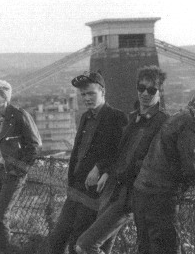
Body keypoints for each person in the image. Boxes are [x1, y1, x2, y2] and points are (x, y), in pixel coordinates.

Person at [75, 66, 170, 254]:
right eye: (141, 88)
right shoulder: (133, 118)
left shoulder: (163, 122)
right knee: (103, 246)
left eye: (151, 90)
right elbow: (121, 153)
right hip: (113, 190)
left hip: (130, 195)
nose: (145, 93)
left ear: (160, 92)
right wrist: (108, 171)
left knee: (85, 245)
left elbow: (159, 161)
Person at [132, 75, 195, 254]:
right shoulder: (191, 123)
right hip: (160, 199)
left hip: (142, 193)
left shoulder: (181, 115)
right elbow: (192, 168)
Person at [49, 71, 128, 254]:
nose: (86, 98)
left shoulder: (116, 117)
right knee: (57, 238)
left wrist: (102, 167)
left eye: (91, 93)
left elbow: (123, 152)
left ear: (102, 92)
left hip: (94, 193)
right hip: (76, 187)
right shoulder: (85, 117)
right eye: (83, 94)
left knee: (78, 241)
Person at [0, 79, 42, 253]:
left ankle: (6, 250)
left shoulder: (19, 115)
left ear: (5, 97)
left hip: (13, 173)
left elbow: (35, 145)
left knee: (0, 217)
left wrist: (20, 170)